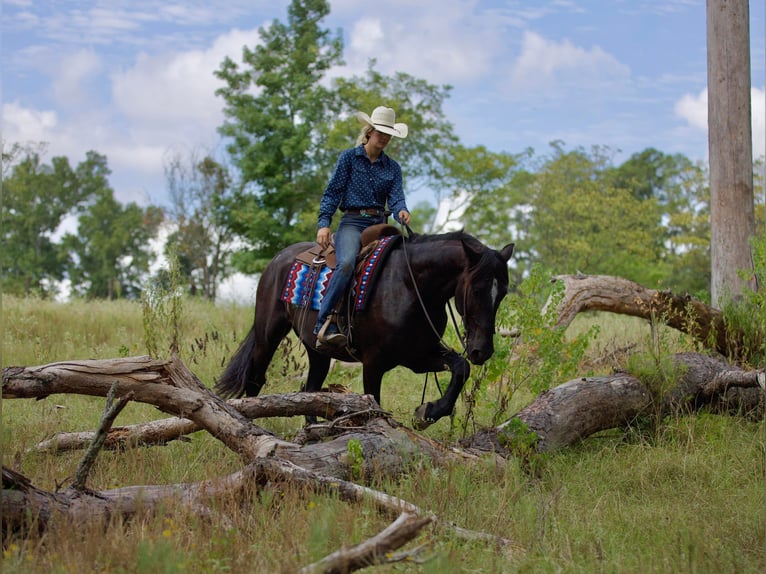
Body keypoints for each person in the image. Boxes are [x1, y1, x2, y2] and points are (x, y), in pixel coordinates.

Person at [314, 105, 412, 347]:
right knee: (346, 263)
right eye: (381, 132)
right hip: (353, 222)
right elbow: (332, 193)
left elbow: (397, 196)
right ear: (369, 131)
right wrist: (324, 224)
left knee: (404, 265)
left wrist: (402, 209)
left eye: (388, 134)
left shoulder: (393, 168)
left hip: (381, 224)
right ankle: (323, 322)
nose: (385, 137)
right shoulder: (348, 158)